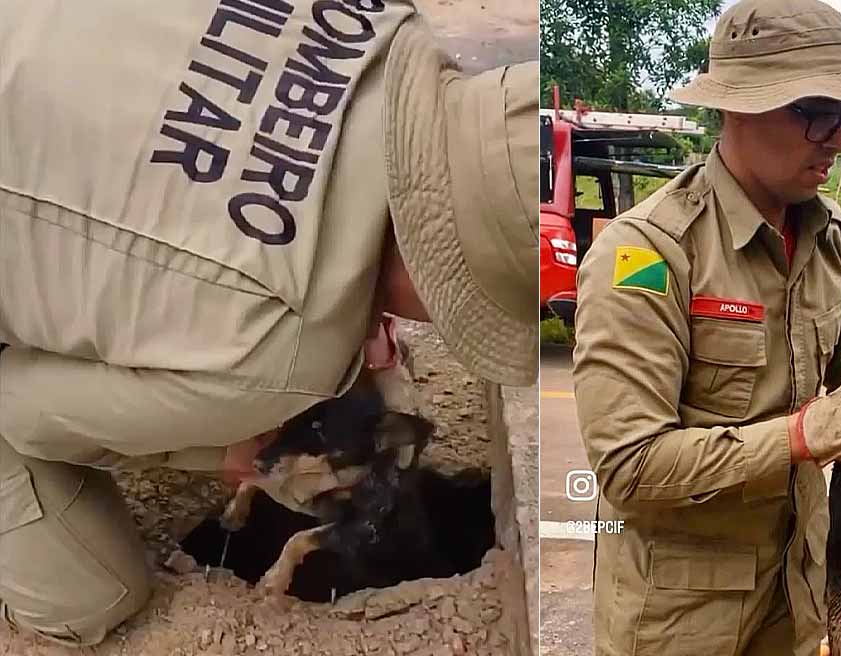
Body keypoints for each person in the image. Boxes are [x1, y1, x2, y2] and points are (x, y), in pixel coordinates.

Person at [0, 0, 537, 646]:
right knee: (90, 594)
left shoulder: (375, 14)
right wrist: (216, 442)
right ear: (436, 270)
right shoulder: (280, 351)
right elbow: (17, 410)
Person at [571, 0, 841, 653]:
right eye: (816, 113)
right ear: (737, 107)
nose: (837, 139)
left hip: (798, 596)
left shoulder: (831, 238)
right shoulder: (650, 252)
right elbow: (629, 468)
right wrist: (808, 434)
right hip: (681, 618)